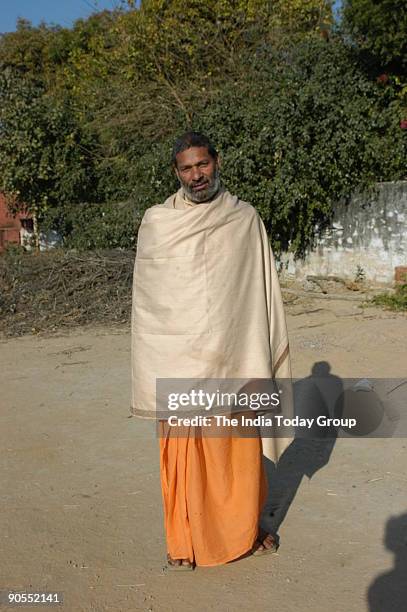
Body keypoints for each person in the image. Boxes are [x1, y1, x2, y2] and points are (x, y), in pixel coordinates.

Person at [131, 131, 292, 570]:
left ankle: (244, 532)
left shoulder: (244, 219)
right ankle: (183, 544)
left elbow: (257, 293)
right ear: (175, 172)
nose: (196, 175)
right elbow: (152, 306)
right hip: (179, 360)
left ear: (216, 162)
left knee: (235, 454)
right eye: (186, 168)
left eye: (202, 165)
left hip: (232, 356)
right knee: (184, 450)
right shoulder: (158, 223)